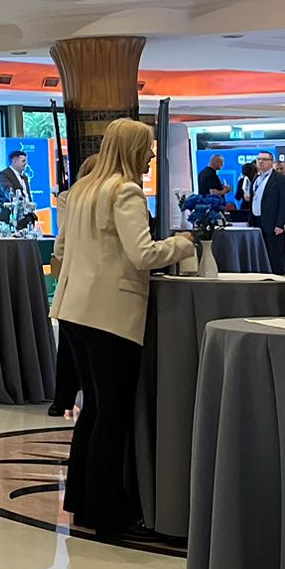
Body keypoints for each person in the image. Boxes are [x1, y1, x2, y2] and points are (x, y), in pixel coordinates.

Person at [48, 118, 196, 540]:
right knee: (112, 415)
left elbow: (63, 249)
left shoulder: (82, 191)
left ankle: (83, 500)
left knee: (93, 410)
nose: (152, 156)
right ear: (132, 149)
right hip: (111, 314)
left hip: (75, 309)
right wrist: (184, 243)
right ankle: (109, 511)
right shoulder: (125, 191)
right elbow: (143, 253)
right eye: (147, 148)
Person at [249, 152, 285, 275]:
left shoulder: (281, 180)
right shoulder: (256, 178)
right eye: (259, 159)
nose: (261, 162)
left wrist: (280, 224)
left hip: (272, 221)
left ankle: (277, 276)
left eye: (264, 159)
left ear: (271, 162)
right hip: (257, 220)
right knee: (260, 251)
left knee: (274, 252)